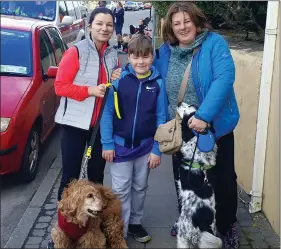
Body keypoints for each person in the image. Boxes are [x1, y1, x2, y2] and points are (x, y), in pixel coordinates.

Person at [111, 2, 240, 249]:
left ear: (197, 21)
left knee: (221, 180)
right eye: (177, 23)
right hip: (180, 129)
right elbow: (144, 67)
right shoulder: (166, 51)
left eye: (186, 21)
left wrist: (204, 115)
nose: (182, 27)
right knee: (184, 179)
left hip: (213, 126)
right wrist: (123, 73)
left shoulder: (214, 44)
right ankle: (187, 220)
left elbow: (224, 79)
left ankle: (226, 225)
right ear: (170, 26)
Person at [100, 34, 167, 243]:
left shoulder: (157, 83)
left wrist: (157, 149)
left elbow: (161, 117)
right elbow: (107, 113)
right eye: (136, 57)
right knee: (120, 191)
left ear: (151, 57)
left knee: (139, 187)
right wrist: (107, 143)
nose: (140, 62)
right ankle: (120, 230)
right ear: (128, 57)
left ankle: (136, 224)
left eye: (145, 57)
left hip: (145, 148)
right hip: (119, 147)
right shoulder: (118, 80)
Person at [54, 7, 119, 202]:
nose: (104, 28)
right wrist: (89, 91)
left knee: (96, 176)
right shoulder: (75, 51)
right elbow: (60, 87)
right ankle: (64, 224)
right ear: (90, 26)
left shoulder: (112, 54)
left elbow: (110, 85)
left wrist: (116, 77)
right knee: (70, 177)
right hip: (73, 124)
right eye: (99, 23)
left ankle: (92, 223)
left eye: (109, 24)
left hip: (99, 125)